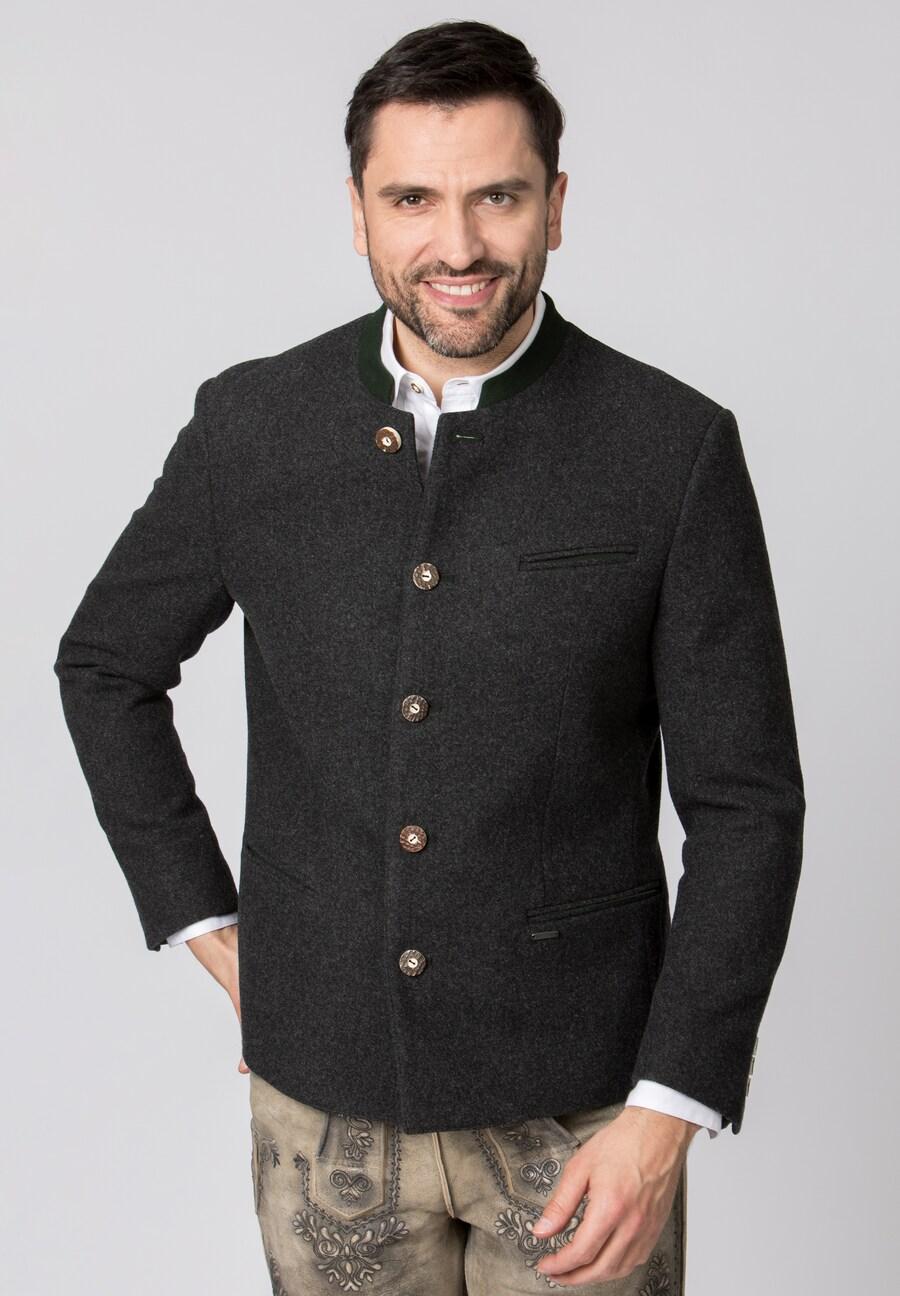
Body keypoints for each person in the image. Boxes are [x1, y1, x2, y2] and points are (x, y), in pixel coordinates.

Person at [53, 19, 805, 1294]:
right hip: (322, 1099)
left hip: (587, 1113)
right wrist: (205, 919)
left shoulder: (671, 447)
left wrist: (670, 1110)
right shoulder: (250, 425)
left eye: (497, 196)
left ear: (555, 205)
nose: (457, 246)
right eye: (412, 199)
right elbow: (105, 666)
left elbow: (747, 807)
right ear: (357, 211)